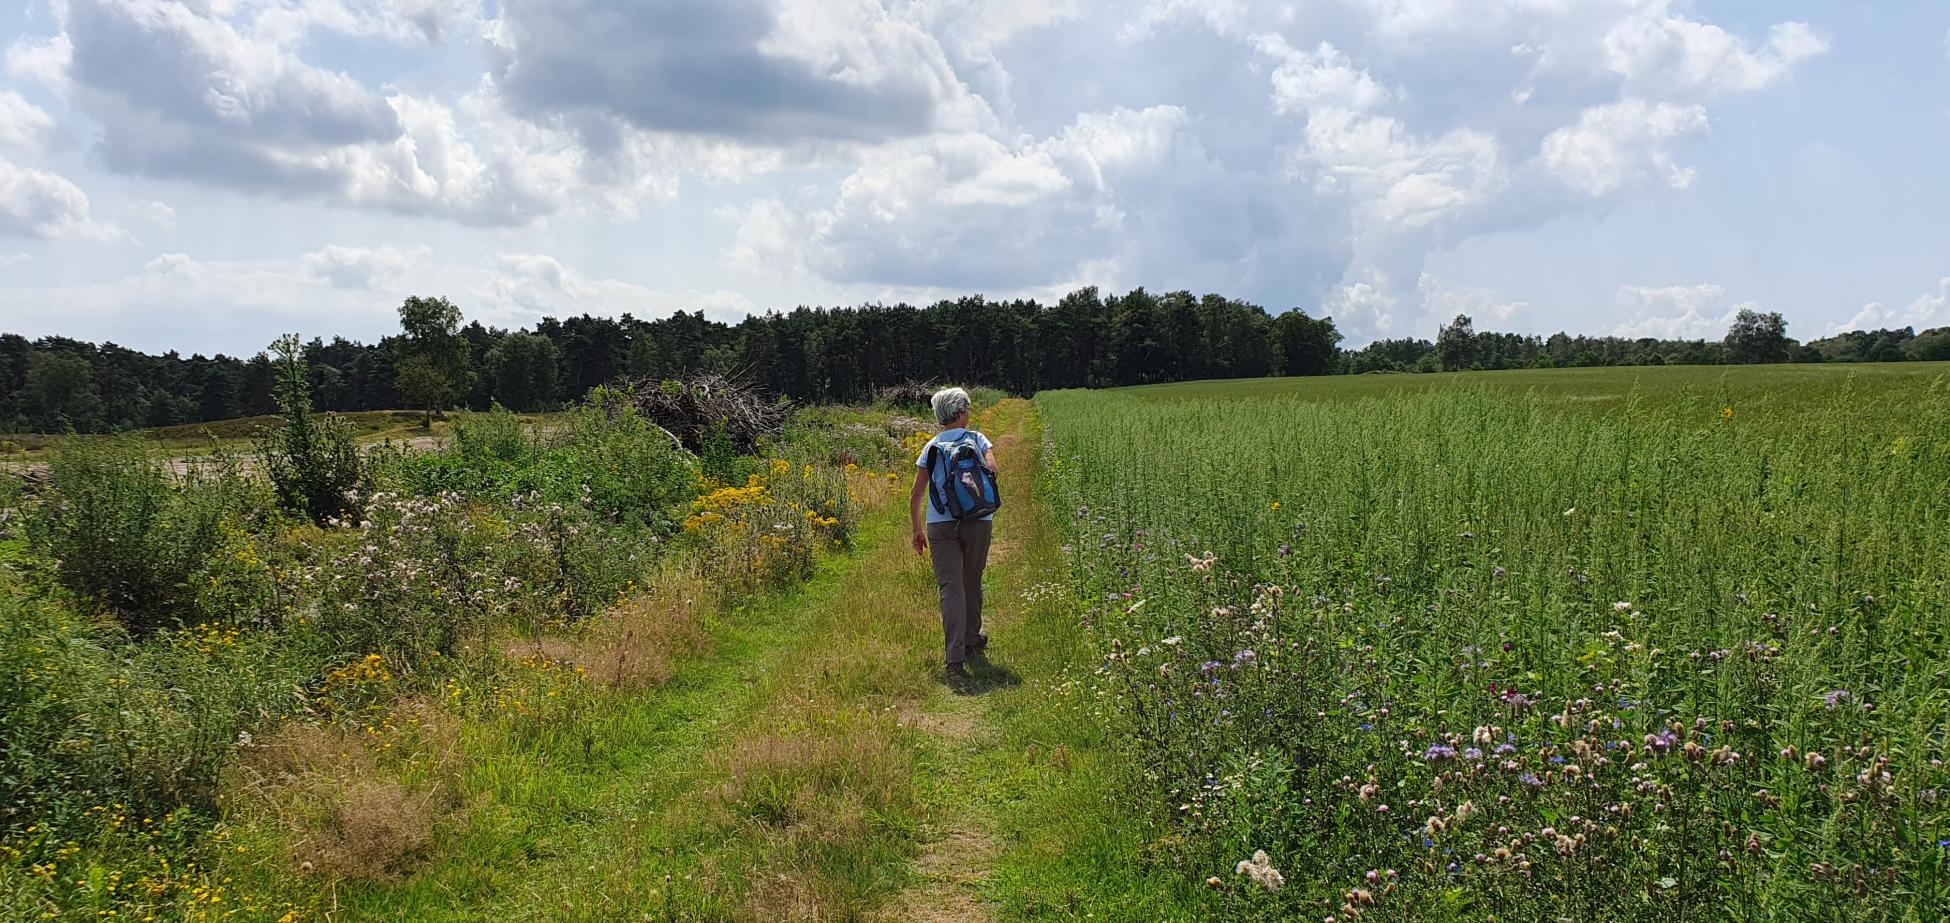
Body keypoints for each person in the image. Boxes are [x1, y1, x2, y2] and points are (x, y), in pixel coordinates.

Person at [910, 387, 997, 681]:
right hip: (978, 519)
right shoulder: (976, 439)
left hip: (940, 524)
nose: (969, 414)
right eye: (967, 409)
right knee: (972, 579)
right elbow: (992, 471)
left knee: (950, 588)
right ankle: (973, 638)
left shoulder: (930, 446)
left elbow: (916, 493)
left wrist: (916, 529)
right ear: (960, 413)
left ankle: (954, 658)